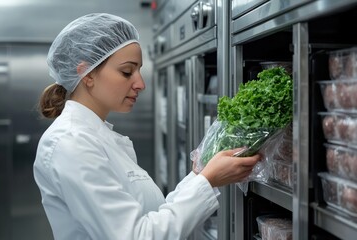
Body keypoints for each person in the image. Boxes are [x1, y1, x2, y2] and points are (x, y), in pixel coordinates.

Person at [33, 13, 260, 240]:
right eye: (127, 72)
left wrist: (200, 176)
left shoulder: (94, 136)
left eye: (139, 70)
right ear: (87, 74)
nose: (140, 84)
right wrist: (207, 181)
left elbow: (153, 215)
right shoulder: (71, 142)